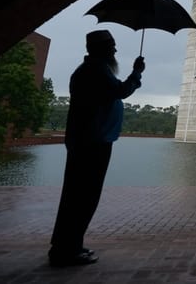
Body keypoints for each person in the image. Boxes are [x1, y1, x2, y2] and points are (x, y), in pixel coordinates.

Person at [48, 29, 145, 267]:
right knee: (83, 196)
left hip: (90, 141)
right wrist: (136, 72)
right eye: (111, 45)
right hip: (92, 143)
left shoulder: (91, 70)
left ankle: (68, 245)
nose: (115, 49)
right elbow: (119, 91)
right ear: (99, 48)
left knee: (78, 196)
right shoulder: (95, 71)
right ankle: (66, 250)